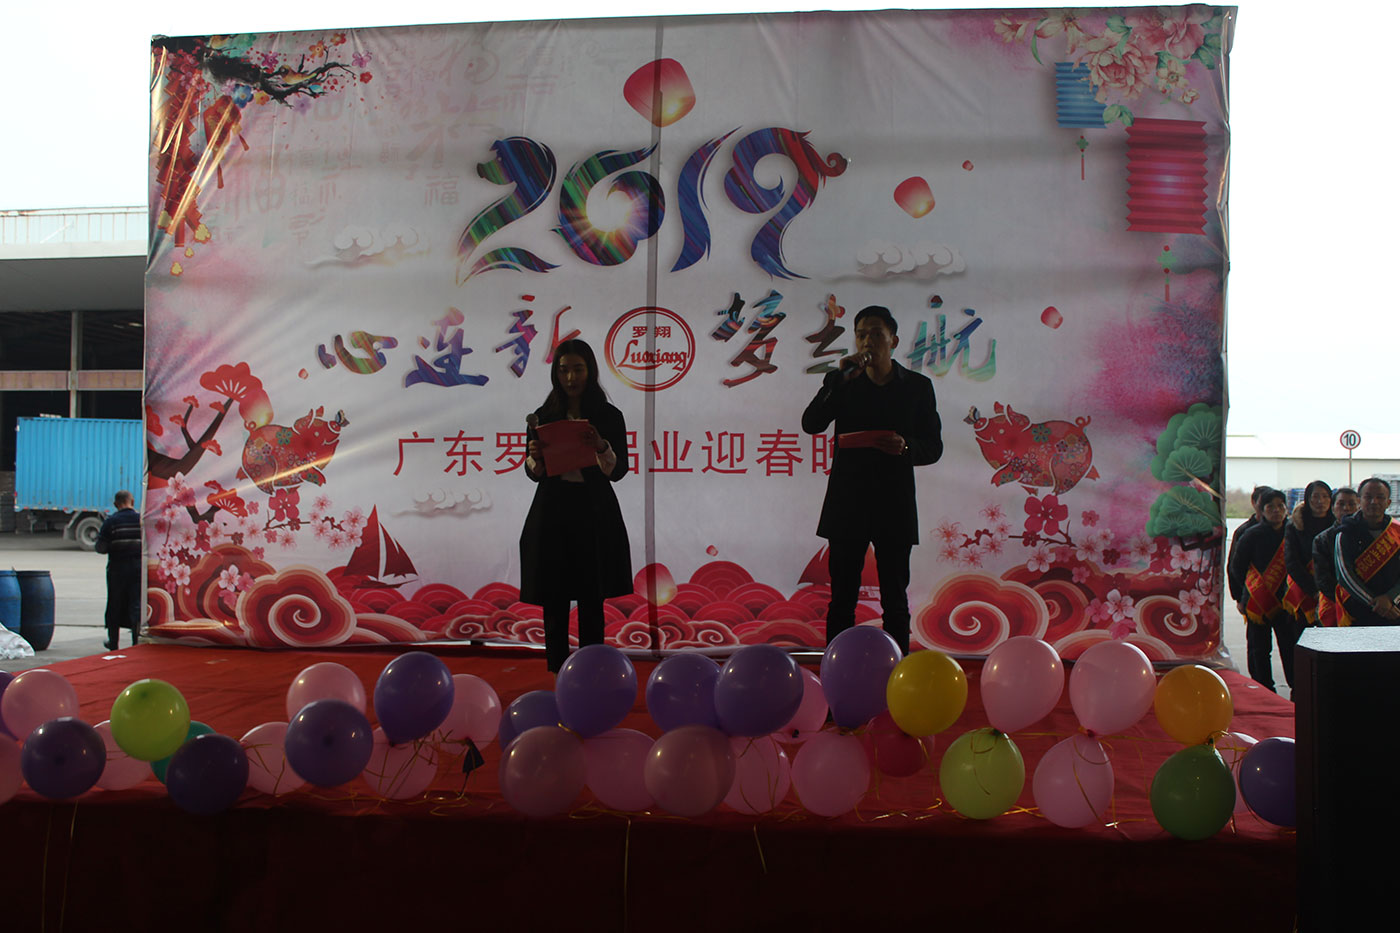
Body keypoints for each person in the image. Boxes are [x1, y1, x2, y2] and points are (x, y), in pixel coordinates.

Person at [801, 305, 942, 655]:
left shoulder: (917, 387)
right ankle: (836, 673)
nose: (867, 341)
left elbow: (933, 446)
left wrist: (905, 446)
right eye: (861, 334)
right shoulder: (842, 382)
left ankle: (898, 674)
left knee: (895, 599)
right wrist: (837, 382)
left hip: (894, 504)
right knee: (841, 598)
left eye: (876, 333)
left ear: (894, 341)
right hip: (847, 503)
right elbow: (811, 424)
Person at [519, 339, 632, 672]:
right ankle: (557, 669)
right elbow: (533, 473)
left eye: (578, 370)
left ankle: (591, 669)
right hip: (552, 512)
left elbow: (619, 471)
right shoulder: (543, 416)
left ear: (590, 371)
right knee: (553, 596)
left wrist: (600, 446)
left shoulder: (609, 416)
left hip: (593, 511)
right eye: (564, 370)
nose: (571, 378)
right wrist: (535, 457)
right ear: (556, 373)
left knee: (591, 596)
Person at [1228, 487, 1296, 692]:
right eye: (1270, 507)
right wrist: (1241, 596)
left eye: (1280, 506)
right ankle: (1264, 689)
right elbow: (1236, 567)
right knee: (1259, 650)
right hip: (1257, 601)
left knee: (1290, 647)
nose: (1276, 511)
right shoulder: (1251, 534)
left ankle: (1297, 687)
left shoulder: (1292, 531)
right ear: (1262, 510)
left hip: (1287, 602)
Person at [1334, 477, 1400, 626]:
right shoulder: (1345, 533)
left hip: (1394, 609)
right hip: (1359, 609)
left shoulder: (1397, 531)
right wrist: (1376, 603)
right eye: (1368, 497)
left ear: (1388, 502)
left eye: (1380, 497)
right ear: (1359, 500)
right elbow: (1344, 575)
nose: (1374, 502)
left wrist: (1390, 598)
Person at [95, 490, 142, 650]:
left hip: (117, 570)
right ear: (132, 502)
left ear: (116, 504)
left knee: (114, 604)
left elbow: (101, 548)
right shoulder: (141, 520)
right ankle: (136, 642)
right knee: (136, 604)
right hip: (138, 570)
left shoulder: (111, 522)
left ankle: (113, 643)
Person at [1283, 480, 1333, 626]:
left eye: (1325, 496)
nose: (1320, 501)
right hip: (1303, 590)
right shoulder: (1295, 525)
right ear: (1307, 499)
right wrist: (1313, 590)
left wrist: (1326, 590)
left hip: (1330, 592)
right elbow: (1291, 561)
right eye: (1315, 496)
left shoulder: (1336, 523)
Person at [1312, 486, 1359, 627]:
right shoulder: (1322, 539)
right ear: (1332, 508)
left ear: (1359, 506)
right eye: (1341, 504)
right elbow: (1322, 578)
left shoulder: (1368, 535)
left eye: (1352, 504)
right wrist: (1346, 600)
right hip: (1334, 603)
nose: (1346, 508)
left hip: (1366, 603)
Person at [1225, 485, 1266, 610]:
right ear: (1253, 503)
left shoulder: (1285, 529)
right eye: (1263, 502)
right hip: (1252, 595)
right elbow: (1233, 566)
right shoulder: (1243, 531)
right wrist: (1239, 597)